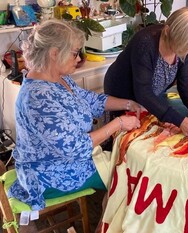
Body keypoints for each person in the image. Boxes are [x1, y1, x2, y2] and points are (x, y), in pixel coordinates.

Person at [9, 19, 142, 211]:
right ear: (54, 53)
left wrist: (129, 103)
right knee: (130, 178)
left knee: (128, 166)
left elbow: (92, 100)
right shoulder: (37, 98)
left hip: (70, 160)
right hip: (51, 173)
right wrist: (119, 123)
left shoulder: (58, 79)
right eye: (74, 53)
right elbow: (75, 147)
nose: (79, 58)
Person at [104, 7, 188, 137]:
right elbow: (143, 92)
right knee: (125, 137)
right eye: (181, 47)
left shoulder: (183, 45)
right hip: (122, 92)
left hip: (148, 95)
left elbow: (186, 82)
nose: (184, 53)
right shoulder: (145, 43)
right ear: (167, 31)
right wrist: (180, 121)